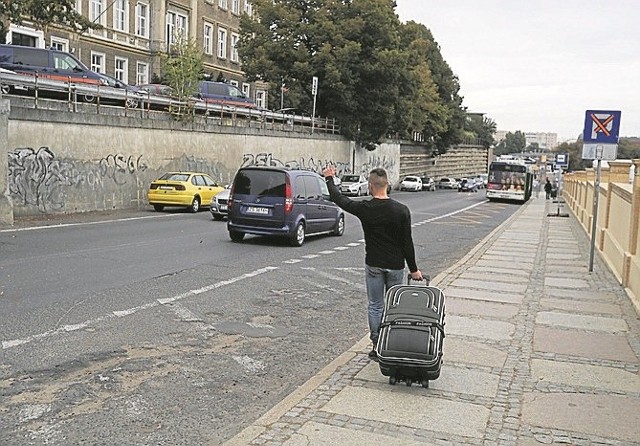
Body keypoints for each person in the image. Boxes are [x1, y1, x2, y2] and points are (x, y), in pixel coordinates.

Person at [321, 164, 424, 361]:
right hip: (396, 266)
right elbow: (407, 243)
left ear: (370, 186)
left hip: (374, 264)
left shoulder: (366, 208)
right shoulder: (401, 211)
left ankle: (377, 346)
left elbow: (340, 199)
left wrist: (329, 179)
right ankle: (392, 344)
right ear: (387, 185)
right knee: (394, 306)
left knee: (375, 306)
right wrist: (414, 270)